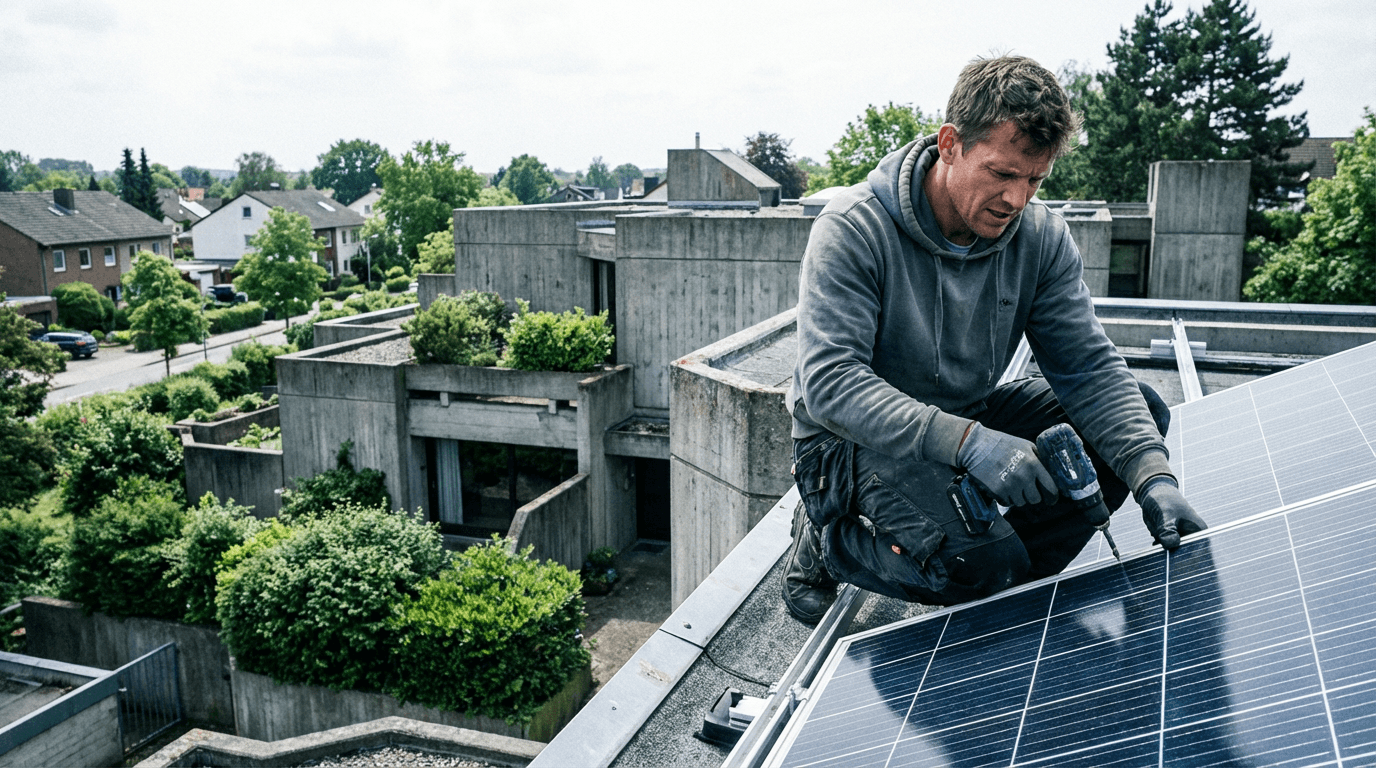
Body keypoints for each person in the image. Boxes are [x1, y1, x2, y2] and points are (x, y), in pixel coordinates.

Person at [784, 55, 1208, 624]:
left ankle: (1008, 578)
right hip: (847, 444)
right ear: (951, 143)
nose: (1018, 199)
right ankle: (827, 543)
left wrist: (1154, 478)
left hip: (965, 414)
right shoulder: (854, 228)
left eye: (1035, 180)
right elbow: (832, 385)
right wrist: (975, 446)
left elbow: (1086, 365)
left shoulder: (1039, 237)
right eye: (1002, 174)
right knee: (977, 565)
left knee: (1142, 419)